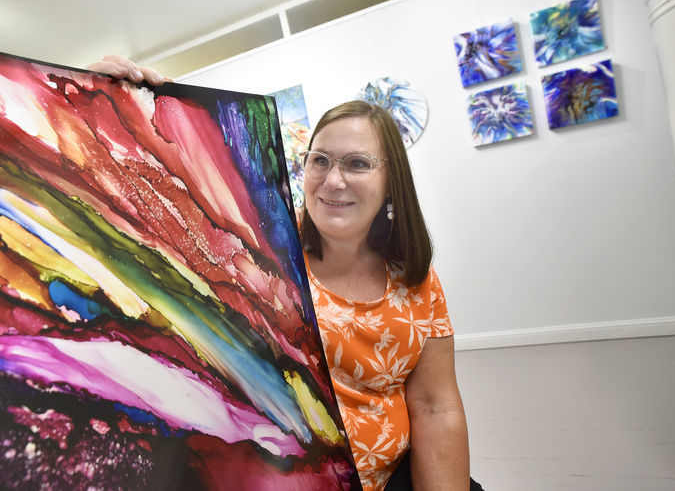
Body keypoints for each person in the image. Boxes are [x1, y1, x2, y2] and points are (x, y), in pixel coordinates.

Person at [88, 56, 480, 490]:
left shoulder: (415, 278)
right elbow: (138, 227)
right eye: (320, 161)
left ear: (392, 181)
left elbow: (435, 405)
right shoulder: (259, 246)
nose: (333, 181)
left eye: (357, 163)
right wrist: (104, 95)